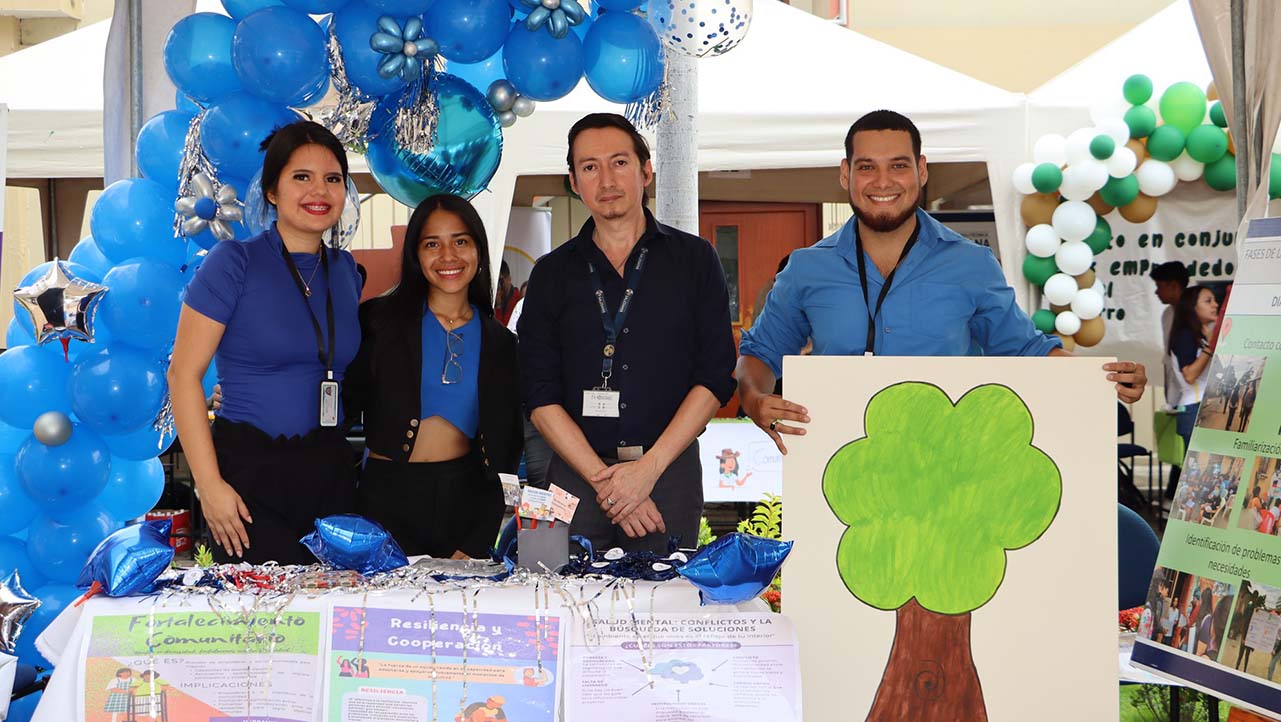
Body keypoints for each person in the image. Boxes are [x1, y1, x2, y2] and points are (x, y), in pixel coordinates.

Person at [734, 110, 1147, 454]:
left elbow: (1025, 352)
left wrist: (1106, 377)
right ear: (846, 175)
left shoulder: (972, 265)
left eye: (898, 165)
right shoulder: (807, 269)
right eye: (866, 167)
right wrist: (753, 399)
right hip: (837, 467)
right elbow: (761, 355)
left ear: (921, 169)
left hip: (953, 470)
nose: (883, 182)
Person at [518, 113, 737, 551]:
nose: (606, 179)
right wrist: (610, 485)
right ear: (574, 182)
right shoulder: (550, 274)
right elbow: (538, 394)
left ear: (646, 170)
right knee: (561, 605)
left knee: (662, 610)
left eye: (619, 162)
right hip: (572, 479)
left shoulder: (695, 260)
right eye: (589, 167)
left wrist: (647, 472)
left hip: (666, 475)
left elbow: (714, 376)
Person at [170, 120, 362, 564]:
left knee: (331, 623)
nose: (320, 190)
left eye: (333, 179)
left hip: (329, 469)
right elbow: (183, 375)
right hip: (248, 476)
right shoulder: (233, 262)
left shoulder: (346, 271)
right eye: (302, 177)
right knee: (260, 626)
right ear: (272, 192)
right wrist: (210, 485)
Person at [344, 194, 522, 559]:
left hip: (465, 503)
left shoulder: (500, 342)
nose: (448, 256)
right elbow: (337, 411)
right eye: (432, 244)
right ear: (415, 254)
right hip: (385, 503)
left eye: (461, 241)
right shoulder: (377, 323)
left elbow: (506, 451)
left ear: (478, 249)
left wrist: (477, 539)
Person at [1150, 261, 1190, 497]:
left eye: (1159, 286)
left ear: (1174, 286)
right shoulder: (1167, 315)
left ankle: (1176, 501)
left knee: (1187, 454)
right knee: (1178, 452)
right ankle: (1171, 501)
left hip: (1195, 395)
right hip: (1176, 397)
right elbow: (1169, 360)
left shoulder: (1195, 313)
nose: (1156, 292)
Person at [1167, 285, 1218, 446]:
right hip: (1194, 408)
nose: (1215, 305)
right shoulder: (1185, 335)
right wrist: (1210, 347)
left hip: (1202, 407)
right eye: (1208, 301)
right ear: (1192, 307)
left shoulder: (1200, 335)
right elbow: (1189, 375)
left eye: (1215, 301)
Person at [494, 260, 522, 326]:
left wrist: (498, 307)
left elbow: (505, 329)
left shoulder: (517, 300)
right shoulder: (492, 299)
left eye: (500, 280)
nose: (499, 285)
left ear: (509, 279)